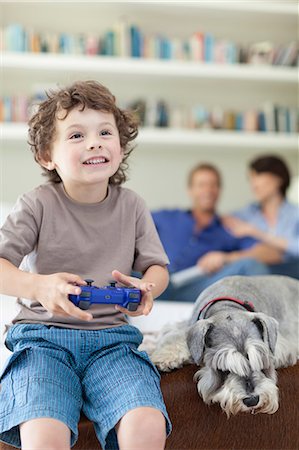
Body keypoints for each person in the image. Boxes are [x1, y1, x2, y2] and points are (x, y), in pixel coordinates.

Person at [0, 81, 171, 450]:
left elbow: (158, 268)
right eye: (77, 134)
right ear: (48, 156)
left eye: (105, 132)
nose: (94, 142)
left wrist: (148, 288)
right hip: (43, 341)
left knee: (147, 423)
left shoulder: (133, 206)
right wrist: (39, 286)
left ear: (120, 148)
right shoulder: (36, 204)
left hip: (113, 343)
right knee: (44, 433)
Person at [152, 163, 282, 302]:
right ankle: (125, 323)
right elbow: (131, 224)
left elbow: (272, 253)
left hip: (198, 288)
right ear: (190, 190)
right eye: (201, 185)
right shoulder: (167, 217)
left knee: (251, 265)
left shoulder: (229, 227)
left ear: (219, 190)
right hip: (157, 282)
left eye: (213, 185)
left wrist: (226, 257)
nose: (208, 190)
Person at [223, 155, 299, 279]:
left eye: (257, 176)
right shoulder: (247, 214)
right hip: (259, 274)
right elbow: (222, 221)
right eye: (250, 178)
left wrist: (257, 232)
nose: (253, 184)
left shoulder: (295, 214)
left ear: (277, 179)